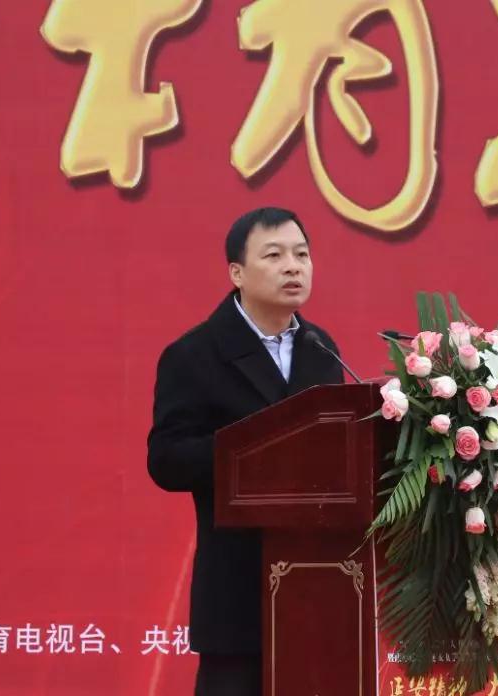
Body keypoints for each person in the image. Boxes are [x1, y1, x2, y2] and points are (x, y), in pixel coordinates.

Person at [147, 207, 344, 696]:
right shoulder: (193, 355)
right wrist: (252, 451)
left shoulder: (321, 349)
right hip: (237, 592)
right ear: (236, 273)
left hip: (319, 587)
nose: (293, 266)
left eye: (302, 255)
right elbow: (166, 459)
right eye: (274, 256)